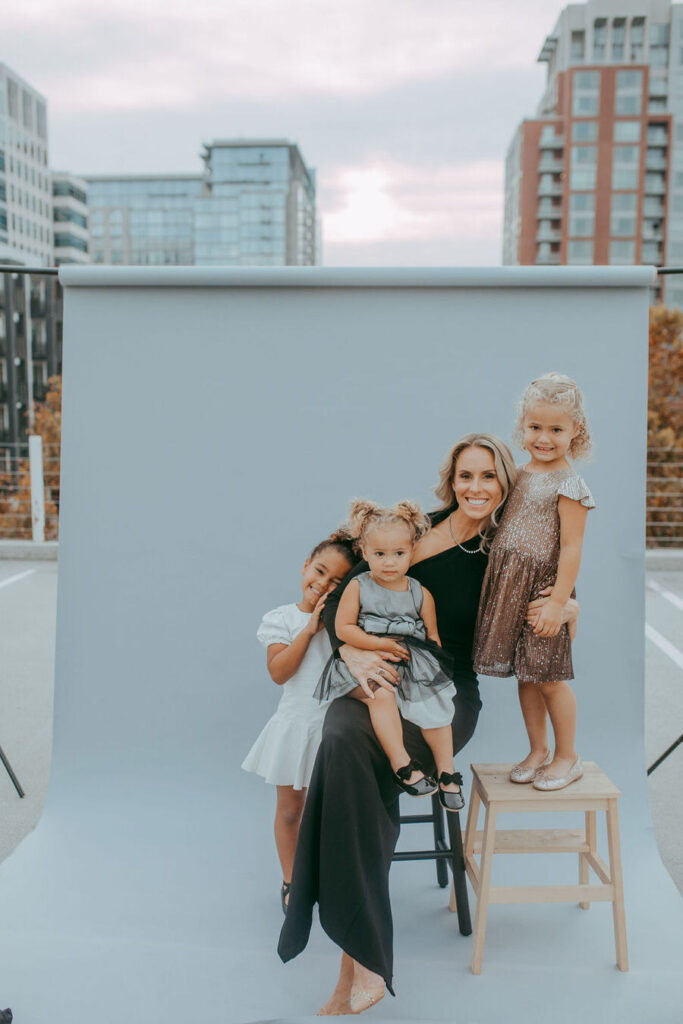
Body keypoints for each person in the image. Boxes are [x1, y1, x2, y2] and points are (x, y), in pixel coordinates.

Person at [277, 433, 580, 1014]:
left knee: (352, 760)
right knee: (341, 737)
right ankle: (359, 952)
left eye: (489, 477)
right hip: (378, 675)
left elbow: (562, 601)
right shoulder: (411, 530)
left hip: (445, 691)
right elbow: (344, 583)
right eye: (466, 475)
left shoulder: (512, 546)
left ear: (506, 484)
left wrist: (570, 605)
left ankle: (353, 955)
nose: (476, 487)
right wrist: (353, 654)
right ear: (451, 480)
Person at [473, 373, 594, 791]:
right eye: (535, 427)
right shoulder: (517, 475)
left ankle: (567, 756)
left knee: (548, 676)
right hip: (510, 587)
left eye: (556, 429)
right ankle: (538, 749)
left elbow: (572, 549)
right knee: (526, 675)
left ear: (574, 431)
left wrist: (560, 602)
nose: (544, 437)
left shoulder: (571, 485)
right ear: (523, 427)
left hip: (543, 592)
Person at [316, 498, 464, 811]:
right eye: (379, 554)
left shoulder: (419, 592)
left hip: (408, 662)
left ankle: (448, 772)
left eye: (399, 553)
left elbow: (432, 635)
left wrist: (430, 666)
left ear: (412, 551)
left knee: (433, 701)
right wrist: (379, 645)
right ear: (364, 552)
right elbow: (343, 629)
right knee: (380, 694)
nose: (389, 562)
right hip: (364, 662)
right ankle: (403, 767)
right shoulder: (358, 586)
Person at [241, 530, 356, 913]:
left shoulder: (345, 621)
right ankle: (291, 879)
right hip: (295, 726)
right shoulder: (283, 619)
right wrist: (309, 630)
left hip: (335, 728)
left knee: (332, 812)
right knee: (291, 810)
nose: (322, 584)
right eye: (319, 571)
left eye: (336, 580)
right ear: (305, 566)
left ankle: (331, 877)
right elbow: (279, 672)